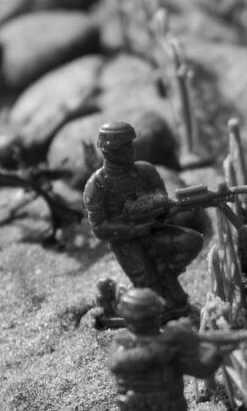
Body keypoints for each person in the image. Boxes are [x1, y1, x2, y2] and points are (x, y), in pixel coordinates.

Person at [84, 122, 203, 316]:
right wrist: (134, 230)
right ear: (110, 151)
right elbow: (99, 227)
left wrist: (170, 210)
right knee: (151, 296)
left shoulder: (146, 172)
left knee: (191, 241)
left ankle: (166, 274)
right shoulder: (97, 185)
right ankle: (118, 299)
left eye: (131, 144)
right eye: (125, 146)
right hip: (126, 244)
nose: (132, 149)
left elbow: (161, 203)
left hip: (154, 233)